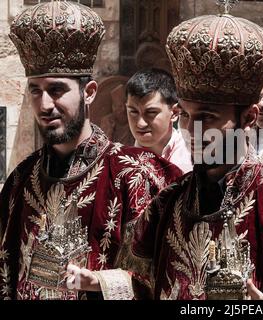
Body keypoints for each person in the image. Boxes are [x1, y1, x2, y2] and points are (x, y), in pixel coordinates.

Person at [66, 6, 263, 300]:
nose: (193, 130)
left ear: (248, 118)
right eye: (186, 115)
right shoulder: (167, 205)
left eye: (207, 117)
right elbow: (144, 281)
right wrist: (99, 281)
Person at [0, 1, 181, 300]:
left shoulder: (137, 173)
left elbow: (167, 275)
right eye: (35, 90)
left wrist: (101, 282)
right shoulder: (20, 180)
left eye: (57, 90)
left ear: (89, 92)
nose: (45, 105)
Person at [125, 69, 193, 173]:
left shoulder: (192, 157)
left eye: (151, 112)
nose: (140, 124)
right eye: (133, 112)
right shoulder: (120, 162)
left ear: (175, 112)